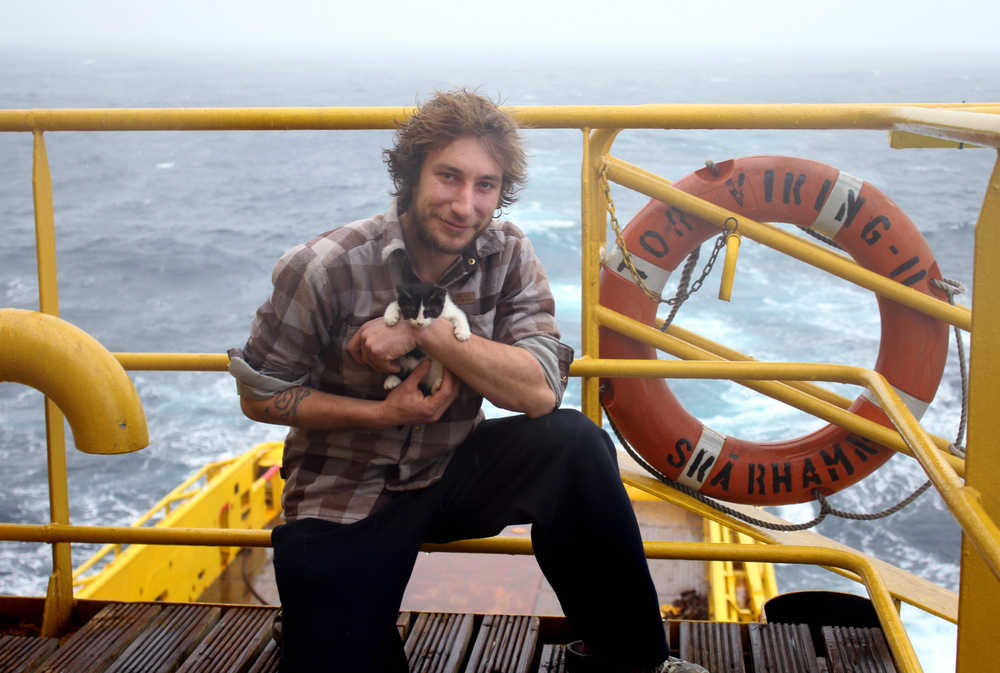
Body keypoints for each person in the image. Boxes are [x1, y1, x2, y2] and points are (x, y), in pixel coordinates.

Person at [228, 90, 684, 673]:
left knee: (574, 444)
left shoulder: (508, 252)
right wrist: (384, 415)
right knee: (339, 651)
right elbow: (260, 395)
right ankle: (313, 622)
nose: (465, 205)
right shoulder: (324, 266)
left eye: (485, 185)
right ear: (411, 172)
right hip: (345, 489)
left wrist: (429, 331)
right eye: (448, 177)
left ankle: (633, 661)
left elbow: (539, 390)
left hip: (450, 469)